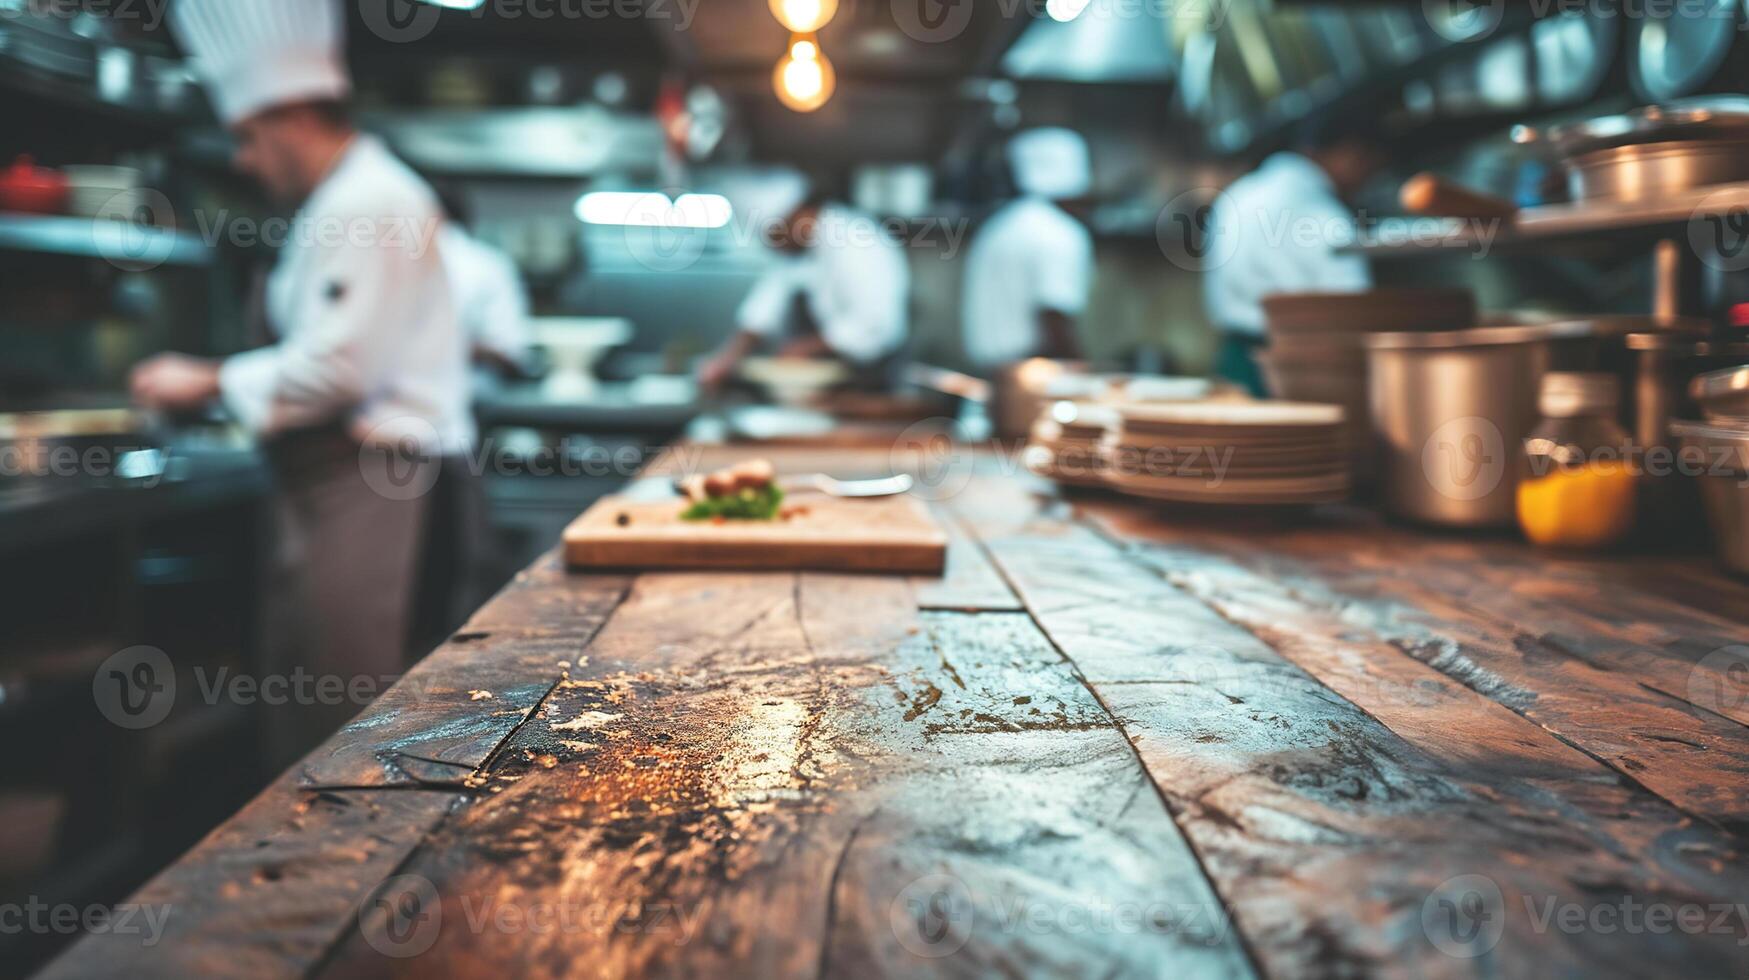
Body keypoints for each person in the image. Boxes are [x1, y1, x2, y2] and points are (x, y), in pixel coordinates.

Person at [130, 0, 470, 763]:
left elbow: (340, 368)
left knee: (346, 729)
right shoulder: (338, 204)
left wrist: (206, 382)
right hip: (327, 480)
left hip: (368, 481)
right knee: (313, 712)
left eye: (246, 137)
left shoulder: (372, 202)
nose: (244, 160)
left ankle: (344, 881)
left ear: (288, 115)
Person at [1202, 121, 1381, 394]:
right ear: (1348, 152)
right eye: (1365, 162)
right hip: (1297, 367)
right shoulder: (1322, 211)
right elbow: (1355, 309)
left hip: (1234, 361)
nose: (1366, 175)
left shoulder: (1238, 194)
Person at [697, 185, 909, 391]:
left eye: (777, 236)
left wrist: (806, 348)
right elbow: (764, 308)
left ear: (796, 215)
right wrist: (728, 357)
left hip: (872, 380)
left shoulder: (856, 239)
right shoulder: (803, 250)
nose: (777, 247)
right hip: (832, 382)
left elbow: (876, 322)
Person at [961, 127, 1096, 372]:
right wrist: (1083, 372)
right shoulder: (1059, 232)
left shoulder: (998, 226)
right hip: (1030, 379)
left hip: (987, 375)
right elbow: (1054, 317)